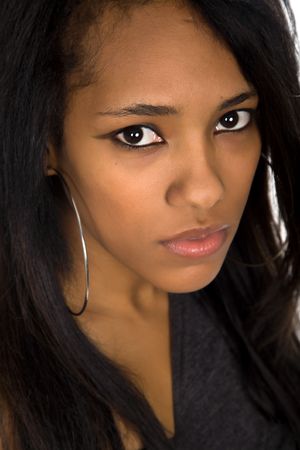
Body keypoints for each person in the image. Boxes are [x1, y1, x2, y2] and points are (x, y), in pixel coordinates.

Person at [0, 0, 300, 448]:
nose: (206, 191)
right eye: (138, 135)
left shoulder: (242, 293)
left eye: (231, 120)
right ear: (44, 143)